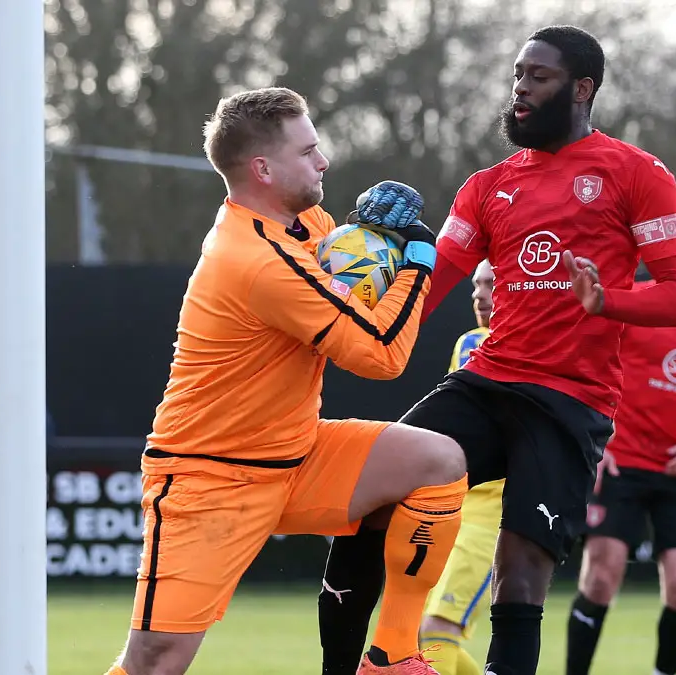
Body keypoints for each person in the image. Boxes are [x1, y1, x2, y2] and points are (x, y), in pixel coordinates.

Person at [318, 25, 676, 675]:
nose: (521, 87)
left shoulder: (638, 174)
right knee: (367, 495)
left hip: (568, 403)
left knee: (520, 572)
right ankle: (358, 666)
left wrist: (607, 300)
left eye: (539, 76)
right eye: (518, 74)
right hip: (487, 382)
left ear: (582, 89)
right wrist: (345, 311)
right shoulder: (486, 184)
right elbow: (432, 283)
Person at [102, 87, 469, 675]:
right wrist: (419, 259)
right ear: (262, 169)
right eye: (308, 150)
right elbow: (380, 354)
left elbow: (345, 266)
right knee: (156, 661)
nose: (323, 161)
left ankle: (392, 654)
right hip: (209, 476)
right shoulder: (256, 259)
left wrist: (374, 235)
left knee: (437, 461)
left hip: (293, 453)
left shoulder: (305, 224)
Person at [564, 204, 676, 675]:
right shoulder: (634, 299)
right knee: (601, 580)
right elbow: (588, 372)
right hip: (621, 464)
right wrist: (595, 442)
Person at [418, 260, 499, 675]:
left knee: (435, 632)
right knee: (425, 634)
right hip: (453, 503)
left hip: (494, 514)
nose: (479, 295)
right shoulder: (470, 341)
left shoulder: (537, 348)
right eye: (476, 285)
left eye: (492, 284)